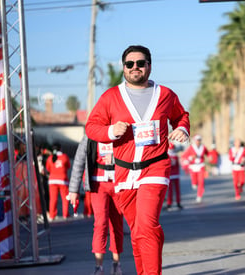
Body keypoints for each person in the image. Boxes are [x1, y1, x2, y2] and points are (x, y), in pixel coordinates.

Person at [85, 45, 190, 275]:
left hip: (156, 167)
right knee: (138, 230)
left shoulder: (165, 95)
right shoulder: (110, 97)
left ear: (149, 66)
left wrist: (182, 128)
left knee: (145, 226)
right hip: (124, 174)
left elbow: (181, 116)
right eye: (130, 64)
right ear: (123, 68)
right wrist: (111, 131)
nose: (135, 67)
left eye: (140, 63)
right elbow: (91, 127)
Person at [69, 135, 123, 275]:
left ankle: (116, 264)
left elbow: (132, 153)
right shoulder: (90, 135)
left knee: (117, 224)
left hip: (118, 183)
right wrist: (73, 190)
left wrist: (117, 160)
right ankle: (98, 266)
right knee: (100, 223)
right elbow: (79, 161)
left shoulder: (121, 128)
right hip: (98, 184)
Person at [45, 143, 71, 221]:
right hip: (63, 180)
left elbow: (48, 169)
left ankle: (52, 215)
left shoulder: (50, 158)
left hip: (52, 180)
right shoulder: (65, 157)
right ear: (60, 148)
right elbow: (68, 166)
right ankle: (65, 214)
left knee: (53, 199)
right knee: (65, 198)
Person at [182, 135, 209, 203]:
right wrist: (191, 157)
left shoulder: (203, 147)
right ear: (194, 140)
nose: (198, 141)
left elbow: (207, 153)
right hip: (193, 166)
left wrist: (209, 156)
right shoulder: (191, 148)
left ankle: (199, 196)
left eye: (199, 140)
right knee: (194, 181)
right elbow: (184, 157)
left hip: (201, 165)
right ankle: (194, 183)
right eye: (197, 140)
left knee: (201, 181)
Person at [165, 142, 183, 211]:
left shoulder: (167, 156)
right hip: (176, 174)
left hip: (170, 175)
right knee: (177, 190)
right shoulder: (176, 156)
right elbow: (178, 165)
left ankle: (169, 204)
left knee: (170, 191)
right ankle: (178, 203)